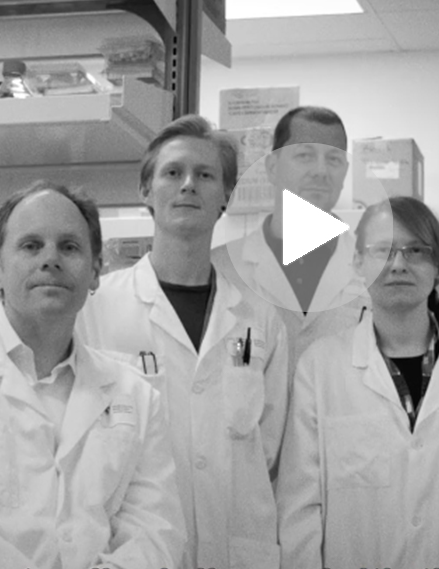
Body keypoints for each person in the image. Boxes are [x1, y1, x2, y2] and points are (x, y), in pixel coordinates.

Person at [77, 115, 289, 569]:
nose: (188, 185)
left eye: (206, 175)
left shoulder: (259, 318)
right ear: (146, 190)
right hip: (134, 550)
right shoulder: (95, 311)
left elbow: (268, 447)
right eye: (173, 172)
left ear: (226, 198)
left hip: (238, 547)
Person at [277, 196, 439, 569]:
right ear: (358, 263)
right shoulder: (320, 367)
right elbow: (300, 509)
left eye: (415, 251)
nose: (398, 265)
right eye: (383, 251)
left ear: (438, 266)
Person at [0, 181, 184, 568]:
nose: (50, 259)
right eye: (31, 246)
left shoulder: (135, 396)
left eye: (70, 246)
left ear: (96, 271)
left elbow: (156, 529)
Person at [212, 106, 368, 380]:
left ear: (345, 171)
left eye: (333, 159)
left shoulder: (371, 273)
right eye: (305, 155)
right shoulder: (220, 269)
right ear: (272, 167)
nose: (321, 171)